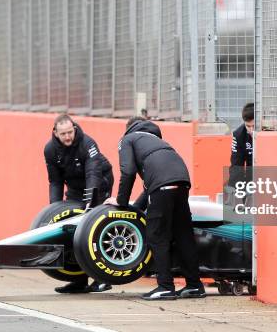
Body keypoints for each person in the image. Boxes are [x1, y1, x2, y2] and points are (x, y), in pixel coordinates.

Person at [116, 117, 206, 300]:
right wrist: (135, 208)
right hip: (182, 181)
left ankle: (165, 286)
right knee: (183, 235)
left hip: (161, 186)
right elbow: (151, 187)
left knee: (157, 236)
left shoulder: (128, 139)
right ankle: (195, 285)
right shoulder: (159, 142)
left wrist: (121, 203)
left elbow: (128, 171)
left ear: (129, 129)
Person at [44, 113, 113, 294]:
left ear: (74, 129)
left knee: (93, 228)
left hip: (99, 183)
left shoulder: (88, 143)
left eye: (70, 132)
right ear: (55, 133)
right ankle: (78, 280)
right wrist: (54, 209)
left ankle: (102, 279)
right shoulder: (50, 150)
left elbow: (93, 174)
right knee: (71, 229)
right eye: (63, 134)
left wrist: (90, 204)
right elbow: (55, 181)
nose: (67, 137)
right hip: (74, 188)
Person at [227, 102, 254, 188]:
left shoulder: (268, 132)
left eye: (254, 126)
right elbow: (236, 166)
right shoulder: (238, 135)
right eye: (248, 126)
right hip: (250, 175)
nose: (251, 130)